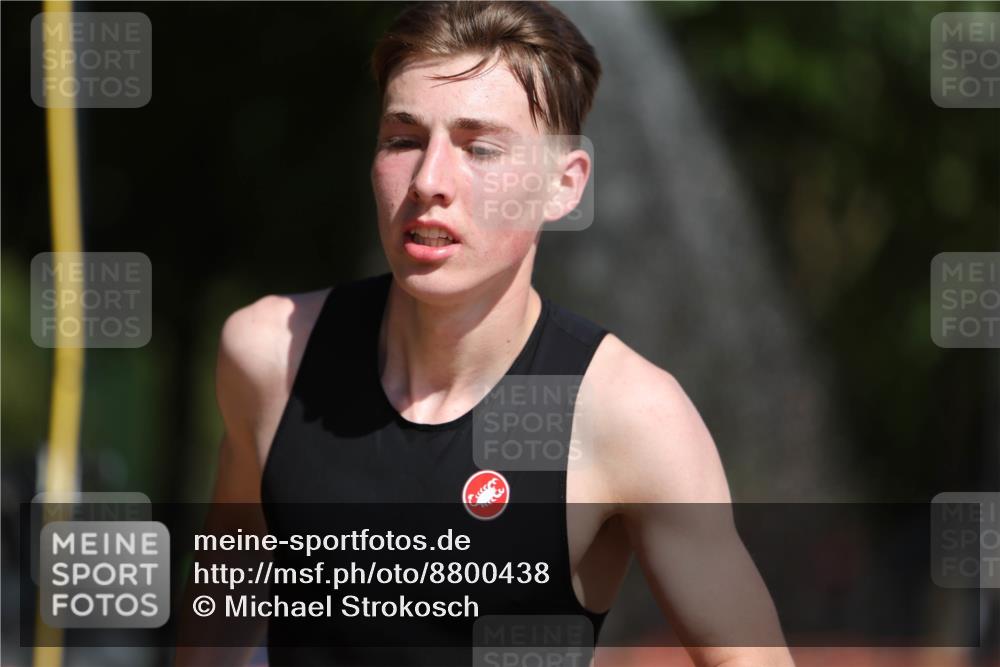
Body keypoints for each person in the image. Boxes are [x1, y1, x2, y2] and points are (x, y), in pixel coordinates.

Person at [178, 2, 796, 666]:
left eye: (480, 147)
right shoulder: (272, 356)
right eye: (403, 139)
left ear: (564, 186)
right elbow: (225, 602)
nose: (429, 182)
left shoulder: (627, 417)